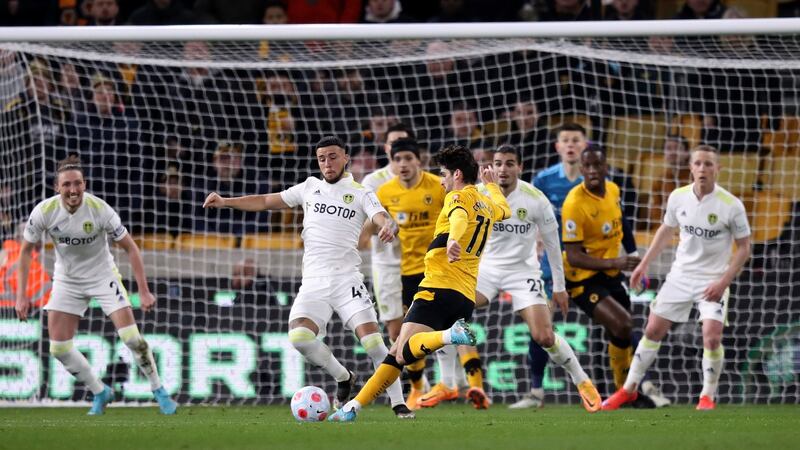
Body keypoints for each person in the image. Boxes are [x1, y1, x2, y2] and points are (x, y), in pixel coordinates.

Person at [203, 136, 414, 419]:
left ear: (346, 158)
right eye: (322, 158)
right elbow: (266, 200)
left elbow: (381, 217)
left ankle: (398, 403)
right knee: (300, 337)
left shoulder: (360, 192)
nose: (327, 163)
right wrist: (227, 201)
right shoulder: (309, 187)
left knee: (374, 344)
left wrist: (388, 225)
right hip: (314, 282)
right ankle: (343, 377)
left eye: (333, 157)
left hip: (347, 280)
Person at [328, 144, 511, 422]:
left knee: (402, 350)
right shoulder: (487, 202)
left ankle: (450, 336)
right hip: (464, 295)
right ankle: (352, 408)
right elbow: (505, 210)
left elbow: (459, 218)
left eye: (444, 174)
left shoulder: (457, 197)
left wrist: (452, 240)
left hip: (438, 286)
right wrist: (493, 186)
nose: (441, 180)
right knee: (396, 352)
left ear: (457, 174)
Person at [419, 145, 603, 412]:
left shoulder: (536, 198)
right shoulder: (477, 194)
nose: (502, 169)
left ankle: (582, 380)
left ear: (520, 168)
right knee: (444, 312)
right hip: (484, 270)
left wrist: (560, 287)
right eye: (497, 163)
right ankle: (448, 382)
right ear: (489, 168)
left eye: (509, 163)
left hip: (523, 272)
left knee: (543, 336)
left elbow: (553, 245)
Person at [14, 156, 177, 415]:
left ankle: (159, 390)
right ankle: (101, 391)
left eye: (77, 183)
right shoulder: (44, 212)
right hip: (67, 280)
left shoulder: (100, 209)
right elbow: (24, 252)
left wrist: (144, 291)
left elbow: (131, 249)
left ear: (84, 184)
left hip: (103, 276)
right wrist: (21, 296)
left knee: (132, 338)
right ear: (58, 187)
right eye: (67, 184)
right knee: (58, 348)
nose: (73, 190)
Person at [602, 146, 751, 411]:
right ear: (691, 168)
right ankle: (628, 390)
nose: (703, 169)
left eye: (708, 164)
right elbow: (665, 229)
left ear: (718, 169)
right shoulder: (678, 197)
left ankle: (707, 396)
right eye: (698, 164)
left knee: (711, 337)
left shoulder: (731, 205)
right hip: (680, 277)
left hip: (713, 280)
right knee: (652, 331)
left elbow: (744, 247)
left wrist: (723, 282)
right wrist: (643, 264)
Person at [514, 122, 644, 409]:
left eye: (576, 139)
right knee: (542, 327)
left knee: (619, 325)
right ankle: (535, 391)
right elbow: (527, 214)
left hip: (594, 267)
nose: (571, 144)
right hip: (551, 264)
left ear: (585, 147)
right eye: (565, 140)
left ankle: (634, 386)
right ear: (558, 147)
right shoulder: (545, 180)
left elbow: (621, 223)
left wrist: (632, 255)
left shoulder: (600, 183)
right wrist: (532, 242)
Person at [373, 137, 446, 409]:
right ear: (391, 163)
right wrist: (382, 229)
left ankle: (446, 382)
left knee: (434, 327)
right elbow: (374, 226)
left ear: (419, 160)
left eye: (407, 159)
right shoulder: (385, 192)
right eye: (397, 160)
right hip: (401, 270)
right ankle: (418, 386)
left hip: (434, 268)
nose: (402, 164)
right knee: (396, 333)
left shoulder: (438, 186)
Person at [561, 146, 641, 395]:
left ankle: (623, 391)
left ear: (606, 167)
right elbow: (574, 257)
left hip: (609, 273)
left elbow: (622, 222)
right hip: (581, 279)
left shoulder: (614, 190)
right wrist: (615, 263)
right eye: (589, 167)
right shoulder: (574, 204)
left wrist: (633, 253)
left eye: (598, 165)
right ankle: (623, 392)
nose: (594, 171)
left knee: (623, 331)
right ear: (582, 169)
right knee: (622, 324)